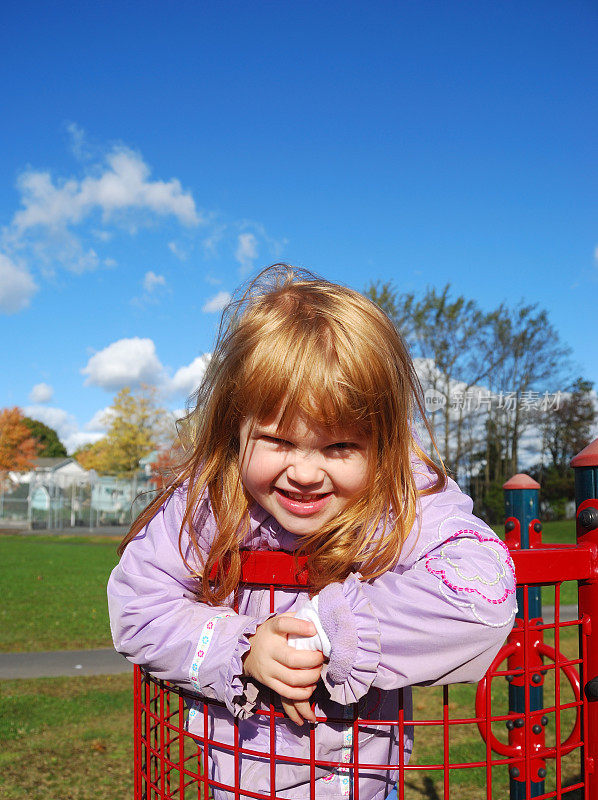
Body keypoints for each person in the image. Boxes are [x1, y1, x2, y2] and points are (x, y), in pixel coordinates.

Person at [108, 265, 516, 800]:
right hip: (244, 785)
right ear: (236, 427)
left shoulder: (397, 500)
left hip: (369, 788)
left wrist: (329, 630)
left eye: (339, 446)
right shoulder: (211, 502)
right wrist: (243, 646)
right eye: (277, 440)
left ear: (383, 444)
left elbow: (480, 591)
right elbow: (139, 605)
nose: (303, 472)